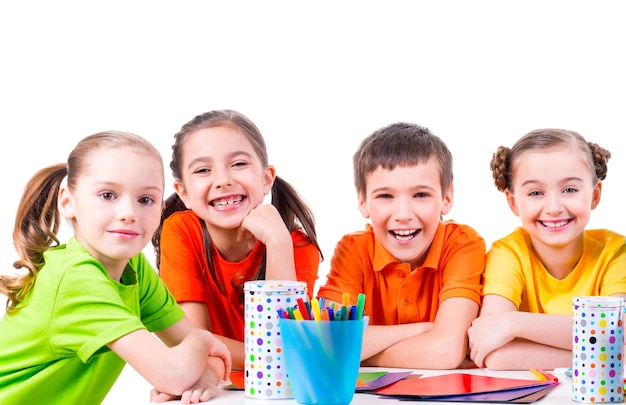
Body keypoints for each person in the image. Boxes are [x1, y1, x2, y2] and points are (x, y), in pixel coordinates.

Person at [0, 131, 231, 405]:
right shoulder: (76, 278)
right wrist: (203, 341)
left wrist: (206, 374)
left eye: (145, 200)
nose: (128, 213)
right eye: (107, 195)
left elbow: (201, 359)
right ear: (67, 201)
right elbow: (176, 373)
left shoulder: (133, 268)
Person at [152, 109, 323, 370]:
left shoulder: (296, 245)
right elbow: (192, 341)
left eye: (239, 164)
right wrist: (268, 356)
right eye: (203, 170)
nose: (223, 180)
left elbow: (284, 345)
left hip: (280, 390)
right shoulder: (180, 231)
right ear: (183, 193)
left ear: (266, 179)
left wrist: (278, 245)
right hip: (215, 388)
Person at [317, 122, 485, 369]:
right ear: (363, 201)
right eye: (385, 196)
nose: (403, 214)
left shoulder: (462, 244)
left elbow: (446, 351)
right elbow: (325, 343)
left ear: (447, 198)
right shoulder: (353, 250)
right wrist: (426, 330)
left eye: (421, 195)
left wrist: (353, 354)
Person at [468, 128, 626, 370]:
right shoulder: (507, 253)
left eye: (570, 190)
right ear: (513, 202)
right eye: (535, 193)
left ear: (595, 195)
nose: (553, 207)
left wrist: (514, 323)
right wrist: (606, 357)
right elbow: (494, 354)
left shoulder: (615, 252)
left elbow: (617, 332)